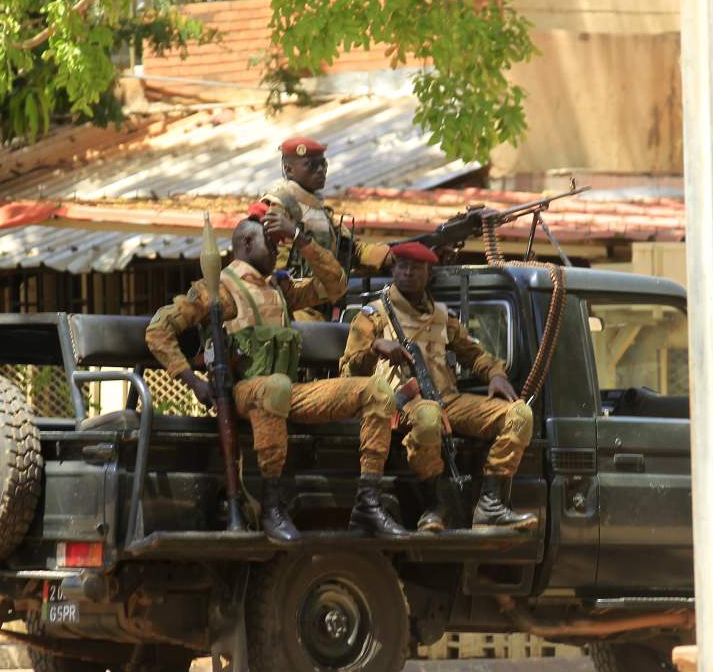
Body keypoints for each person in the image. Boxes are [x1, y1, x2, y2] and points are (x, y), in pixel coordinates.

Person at [145, 206, 408, 542]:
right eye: (269, 244)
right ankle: (272, 503)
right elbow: (158, 330)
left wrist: (301, 240)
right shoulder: (219, 288)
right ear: (243, 244)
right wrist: (193, 381)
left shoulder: (279, 289)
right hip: (244, 393)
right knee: (276, 387)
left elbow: (336, 285)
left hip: (288, 393)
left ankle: (368, 501)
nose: (276, 250)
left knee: (377, 390)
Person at [339, 241, 537, 533]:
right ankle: (433, 503)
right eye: (402, 265)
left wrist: (495, 374)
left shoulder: (442, 316)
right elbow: (347, 370)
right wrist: (374, 348)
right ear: (393, 268)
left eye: (416, 268)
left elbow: (476, 354)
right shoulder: (375, 315)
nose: (407, 272)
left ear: (429, 273)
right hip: (400, 403)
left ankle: (490, 503)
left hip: (447, 400)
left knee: (519, 415)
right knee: (428, 417)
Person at [259, 136, 393, 320]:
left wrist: (391, 255)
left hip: (325, 300)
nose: (321, 170)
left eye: (323, 165)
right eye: (311, 165)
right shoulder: (280, 206)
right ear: (289, 169)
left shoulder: (320, 210)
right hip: (295, 307)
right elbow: (271, 268)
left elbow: (351, 249)